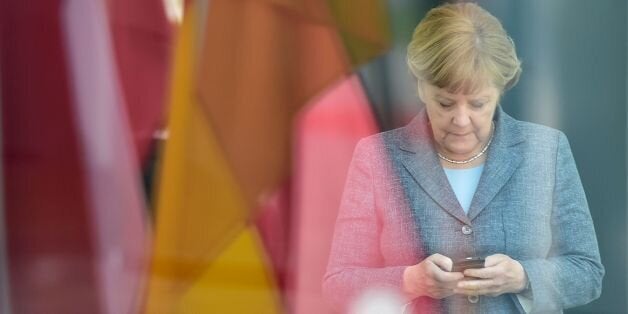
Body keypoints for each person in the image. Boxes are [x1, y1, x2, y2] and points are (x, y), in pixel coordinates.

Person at [322, 2, 604, 313]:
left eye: (478, 103)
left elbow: (587, 273)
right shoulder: (377, 157)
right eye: (445, 103)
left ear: (500, 90)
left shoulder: (546, 149)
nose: (461, 119)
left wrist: (522, 276)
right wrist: (409, 280)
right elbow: (338, 283)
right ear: (419, 86)